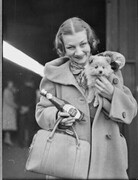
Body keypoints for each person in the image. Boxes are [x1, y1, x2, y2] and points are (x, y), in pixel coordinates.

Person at [35, 17, 137, 179]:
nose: (79, 52)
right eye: (70, 47)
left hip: (106, 160)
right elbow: (41, 112)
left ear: (91, 42)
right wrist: (56, 117)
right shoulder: (54, 75)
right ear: (62, 49)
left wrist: (112, 94)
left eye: (83, 44)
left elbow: (130, 113)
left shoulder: (110, 70)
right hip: (68, 161)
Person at [18, 77, 37, 147]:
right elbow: (33, 102)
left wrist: (21, 107)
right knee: (30, 128)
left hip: (22, 111)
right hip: (30, 111)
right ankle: (29, 143)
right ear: (30, 82)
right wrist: (28, 108)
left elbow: (17, 100)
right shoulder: (33, 90)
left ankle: (21, 144)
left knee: (21, 128)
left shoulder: (20, 89)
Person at [3, 80, 18, 146]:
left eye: (12, 84)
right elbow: (8, 101)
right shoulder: (6, 91)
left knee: (8, 125)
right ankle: (8, 140)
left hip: (10, 110)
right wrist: (16, 106)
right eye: (10, 84)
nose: (11, 85)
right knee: (8, 125)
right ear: (7, 84)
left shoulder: (10, 90)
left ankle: (6, 139)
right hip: (8, 110)